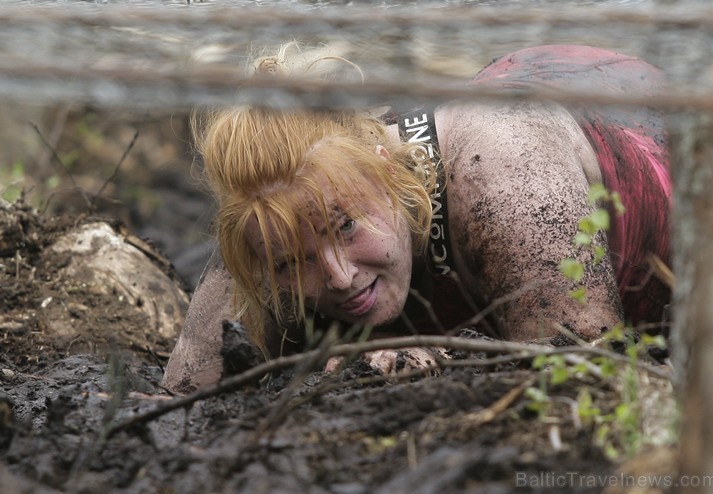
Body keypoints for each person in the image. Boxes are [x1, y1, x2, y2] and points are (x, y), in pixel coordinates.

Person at [162, 45, 672, 394]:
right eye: (292, 261)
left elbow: (593, 381)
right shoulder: (273, 215)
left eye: (346, 228)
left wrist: (450, 365)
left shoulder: (507, 177)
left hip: (640, 117)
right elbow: (177, 410)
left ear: (384, 170)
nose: (339, 277)